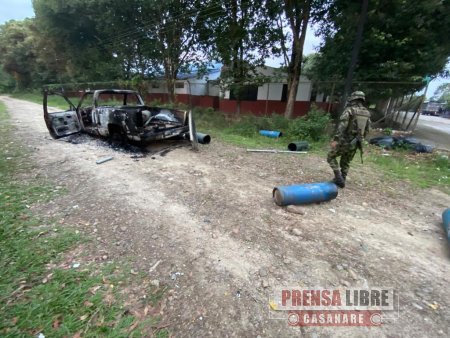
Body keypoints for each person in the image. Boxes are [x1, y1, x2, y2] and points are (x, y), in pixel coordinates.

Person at [327, 91, 371, 188]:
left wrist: (336, 139)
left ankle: (338, 178)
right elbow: (367, 130)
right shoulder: (367, 113)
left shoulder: (350, 111)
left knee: (330, 156)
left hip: (345, 141)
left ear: (353, 99)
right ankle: (343, 179)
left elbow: (342, 126)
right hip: (356, 142)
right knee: (346, 161)